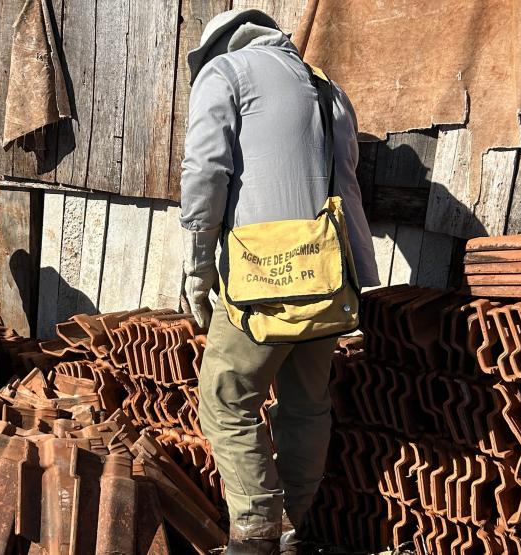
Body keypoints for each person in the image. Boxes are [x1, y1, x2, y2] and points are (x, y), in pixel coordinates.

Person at [180, 9, 380, 555]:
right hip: (329, 278)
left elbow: (204, 173)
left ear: (217, 48)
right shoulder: (327, 90)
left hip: (260, 279)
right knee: (306, 404)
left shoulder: (225, 74)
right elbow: (349, 191)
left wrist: (197, 268)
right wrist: (364, 282)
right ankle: (293, 531)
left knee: (225, 400)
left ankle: (255, 533)